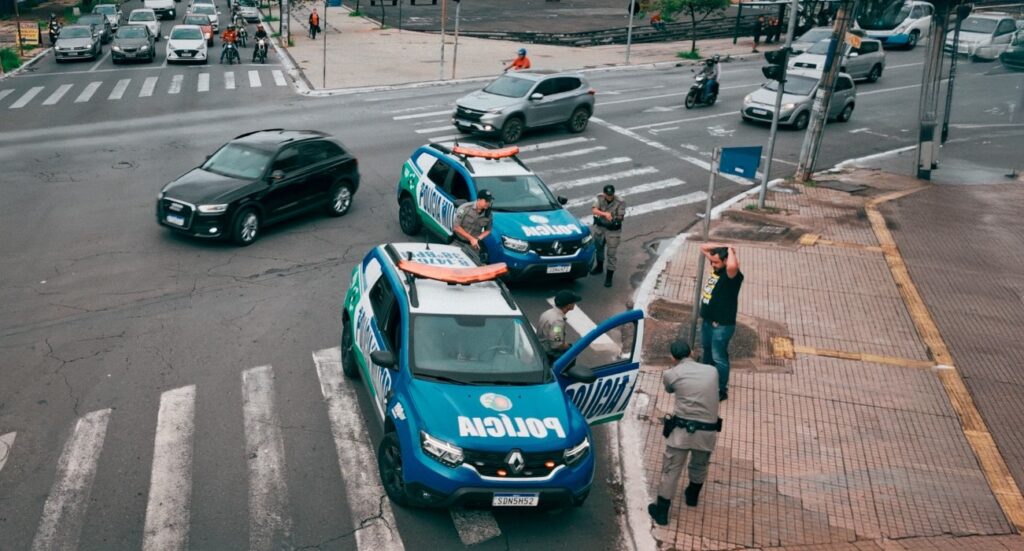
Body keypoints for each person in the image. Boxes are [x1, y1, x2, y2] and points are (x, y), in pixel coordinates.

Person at [647, 340, 722, 525]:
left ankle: (662, 513)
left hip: (681, 432)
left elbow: (670, 389)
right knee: (700, 465)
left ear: (672, 357)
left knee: (671, 469)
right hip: (707, 432)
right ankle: (692, 497)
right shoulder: (712, 371)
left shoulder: (671, 374)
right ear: (692, 351)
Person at [698, 243, 743, 401]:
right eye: (712, 262)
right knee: (707, 352)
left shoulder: (732, 276)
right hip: (708, 322)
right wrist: (724, 245)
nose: (713, 264)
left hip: (721, 326)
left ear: (725, 261)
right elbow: (703, 247)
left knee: (719, 358)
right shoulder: (718, 267)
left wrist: (730, 250)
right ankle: (706, 381)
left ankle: (720, 389)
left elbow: (732, 265)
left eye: (716, 262)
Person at [590, 184, 625, 288]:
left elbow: (620, 217)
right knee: (599, 249)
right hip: (600, 228)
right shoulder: (600, 198)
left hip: (612, 231)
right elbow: (594, 210)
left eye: (611, 195)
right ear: (604, 194)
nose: (609, 197)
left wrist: (615, 219)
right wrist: (605, 214)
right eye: (608, 195)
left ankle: (609, 277)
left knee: (611, 254)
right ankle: (599, 267)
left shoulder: (620, 202)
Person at [538, 291, 581, 364]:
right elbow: (556, 345)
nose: (574, 304)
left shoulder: (548, 312)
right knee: (571, 356)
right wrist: (570, 347)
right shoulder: (558, 322)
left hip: (540, 347)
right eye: (573, 302)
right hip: (549, 354)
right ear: (568, 305)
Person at [453, 189, 493, 262]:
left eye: (489, 201)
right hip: (458, 242)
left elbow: (488, 230)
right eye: (486, 201)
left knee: (474, 265)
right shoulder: (465, 208)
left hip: (473, 246)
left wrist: (478, 238)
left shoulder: (488, 214)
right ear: (479, 199)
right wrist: (471, 239)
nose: (488, 203)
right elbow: (456, 227)